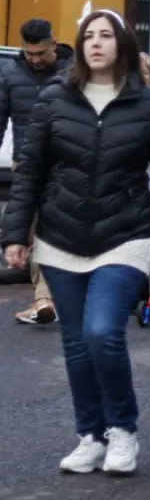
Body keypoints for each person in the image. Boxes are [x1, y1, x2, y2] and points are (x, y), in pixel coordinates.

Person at [1, 9, 150, 475]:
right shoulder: (53, 100)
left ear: (122, 44)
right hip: (60, 238)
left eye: (107, 35)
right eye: (90, 36)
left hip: (125, 235)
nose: (97, 43)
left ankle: (123, 431)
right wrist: (13, 236)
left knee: (102, 332)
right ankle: (91, 435)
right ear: (81, 45)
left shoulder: (148, 105)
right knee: (75, 342)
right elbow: (31, 175)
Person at [2, 18, 73, 325]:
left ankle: (45, 297)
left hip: (67, 162)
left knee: (51, 228)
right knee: (33, 230)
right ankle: (44, 297)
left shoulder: (73, 72)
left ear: (53, 46)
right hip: (26, 164)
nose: (33, 59)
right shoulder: (10, 73)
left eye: (40, 53)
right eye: (28, 53)